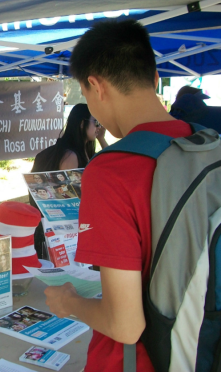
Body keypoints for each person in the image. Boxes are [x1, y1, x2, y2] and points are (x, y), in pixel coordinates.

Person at [43, 20, 194, 371]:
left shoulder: (111, 171)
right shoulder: (204, 143)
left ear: (95, 86)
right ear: (155, 77)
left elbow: (125, 325)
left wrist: (69, 302)